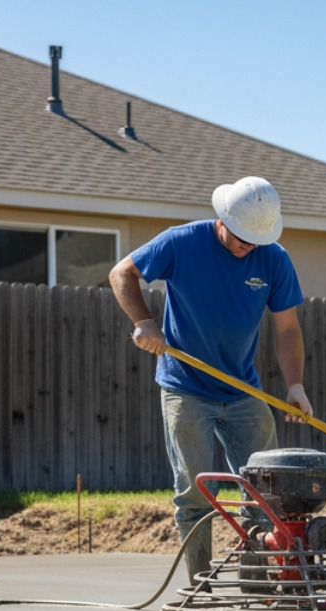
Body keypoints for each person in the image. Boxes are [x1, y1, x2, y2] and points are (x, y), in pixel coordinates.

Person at [109, 175, 312, 589]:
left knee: (264, 492)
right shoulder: (180, 243)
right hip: (186, 388)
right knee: (196, 494)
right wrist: (144, 322)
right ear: (223, 218)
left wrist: (295, 386)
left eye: (256, 240)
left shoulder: (273, 259)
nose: (248, 246)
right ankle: (200, 586)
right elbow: (121, 273)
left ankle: (257, 588)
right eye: (241, 237)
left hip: (243, 390)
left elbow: (288, 329)